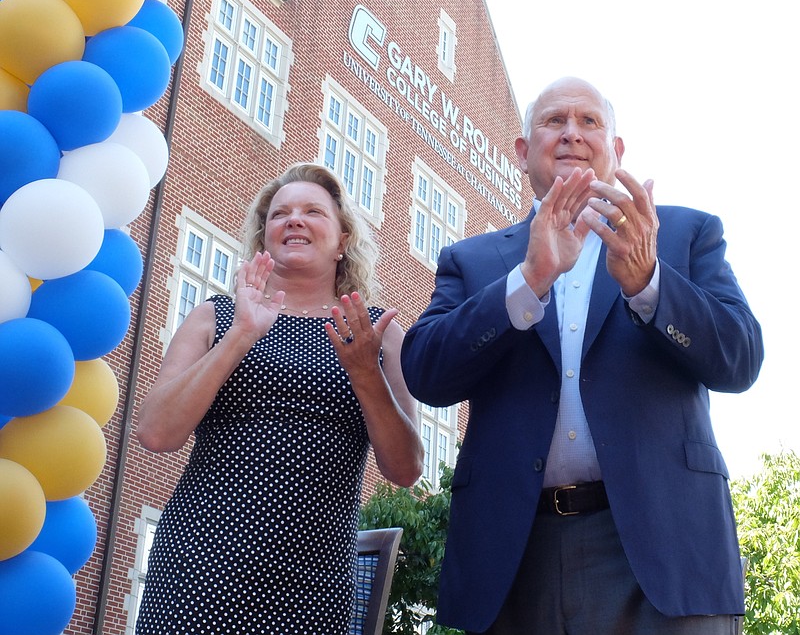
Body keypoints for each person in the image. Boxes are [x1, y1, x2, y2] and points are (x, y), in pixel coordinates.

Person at [401, 77, 763, 634]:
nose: (572, 133)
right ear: (522, 153)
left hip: (663, 553)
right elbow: (426, 371)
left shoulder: (684, 235)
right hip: (516, 557)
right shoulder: (472, 260)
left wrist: (650, 284)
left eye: (590, 121)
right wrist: (529, 280)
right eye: (554, 121)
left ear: (616, 151)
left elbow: (740, 359)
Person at [135, 162, 423, 635]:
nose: (294, 220)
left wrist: (365, 372)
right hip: (202, 559)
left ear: (343, 240)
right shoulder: (215, 316)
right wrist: (242, 334)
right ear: (262, 236)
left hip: (316, 575)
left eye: (313, 211)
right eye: (279, 213)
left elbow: (405, 468)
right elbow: (155, 432)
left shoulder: (376, 334)